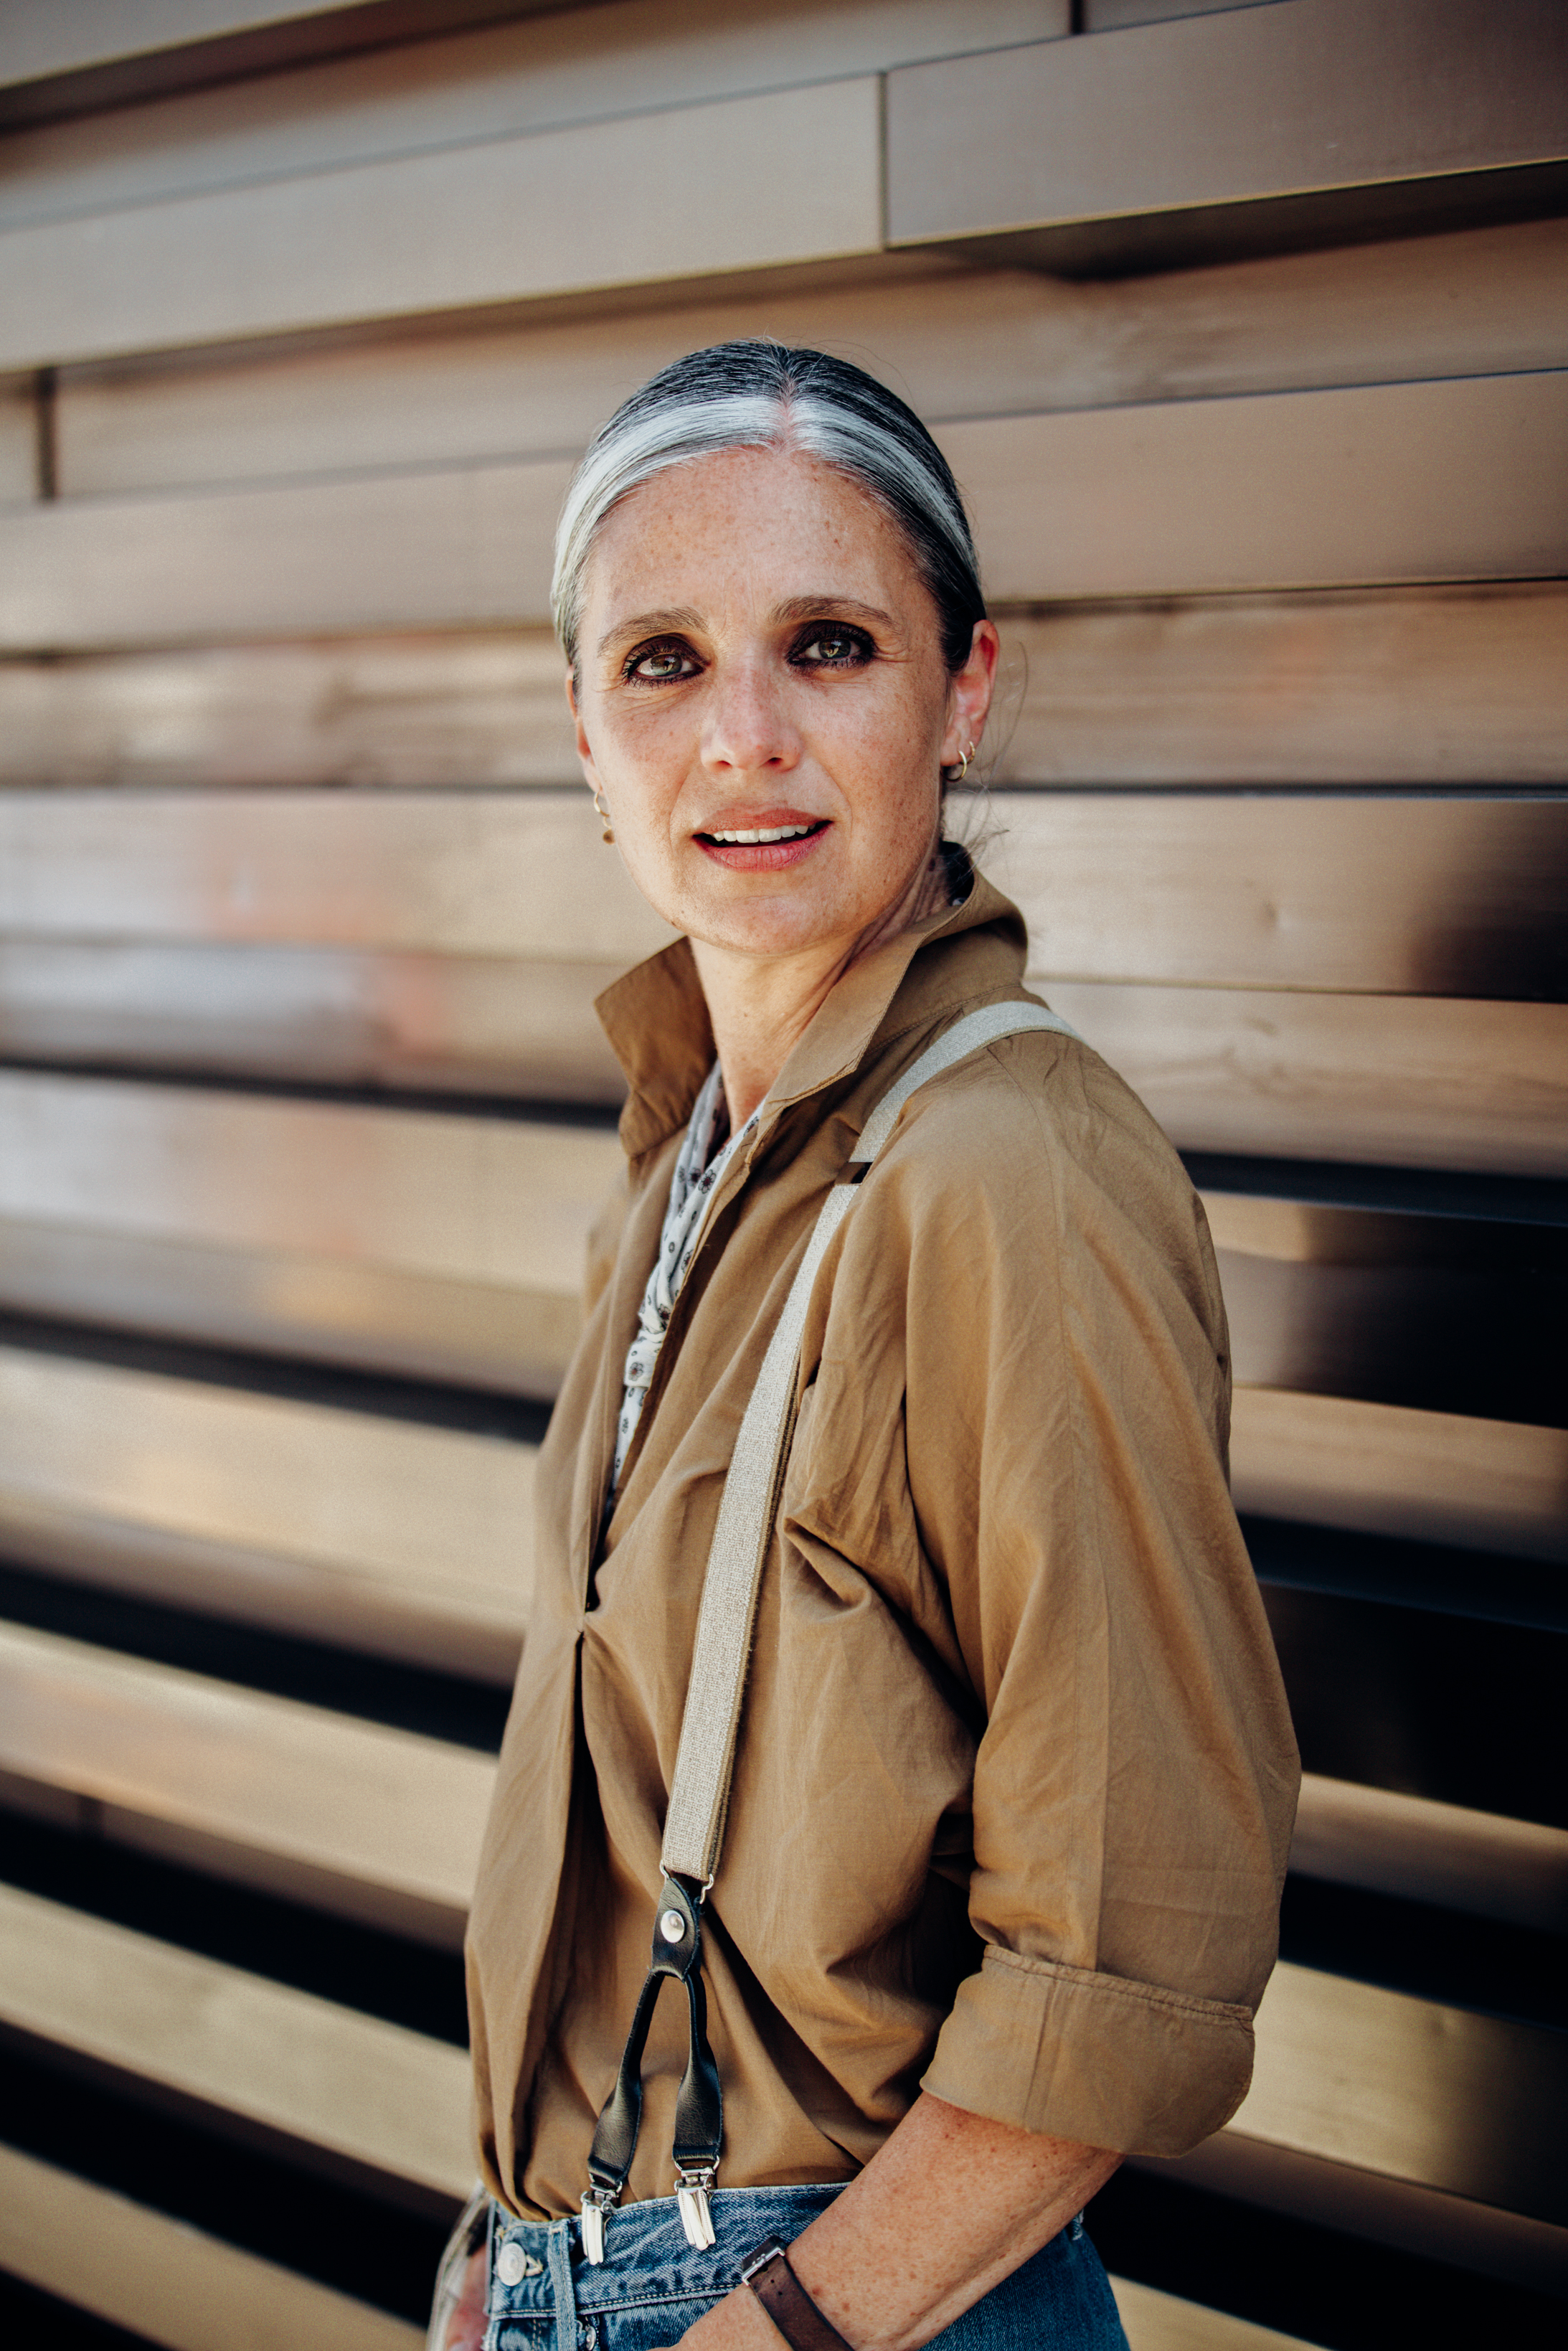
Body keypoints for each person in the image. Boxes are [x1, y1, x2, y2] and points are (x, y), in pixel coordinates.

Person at [435, 341, 1298, 2351]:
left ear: (961, 690)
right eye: (660, 660)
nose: (742, 736)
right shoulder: (680, 1165)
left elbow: (1127, 1943)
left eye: (826, 644)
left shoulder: (1011, 1165)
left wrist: (782, 2336)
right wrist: (498, 2260)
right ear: (580, 726)